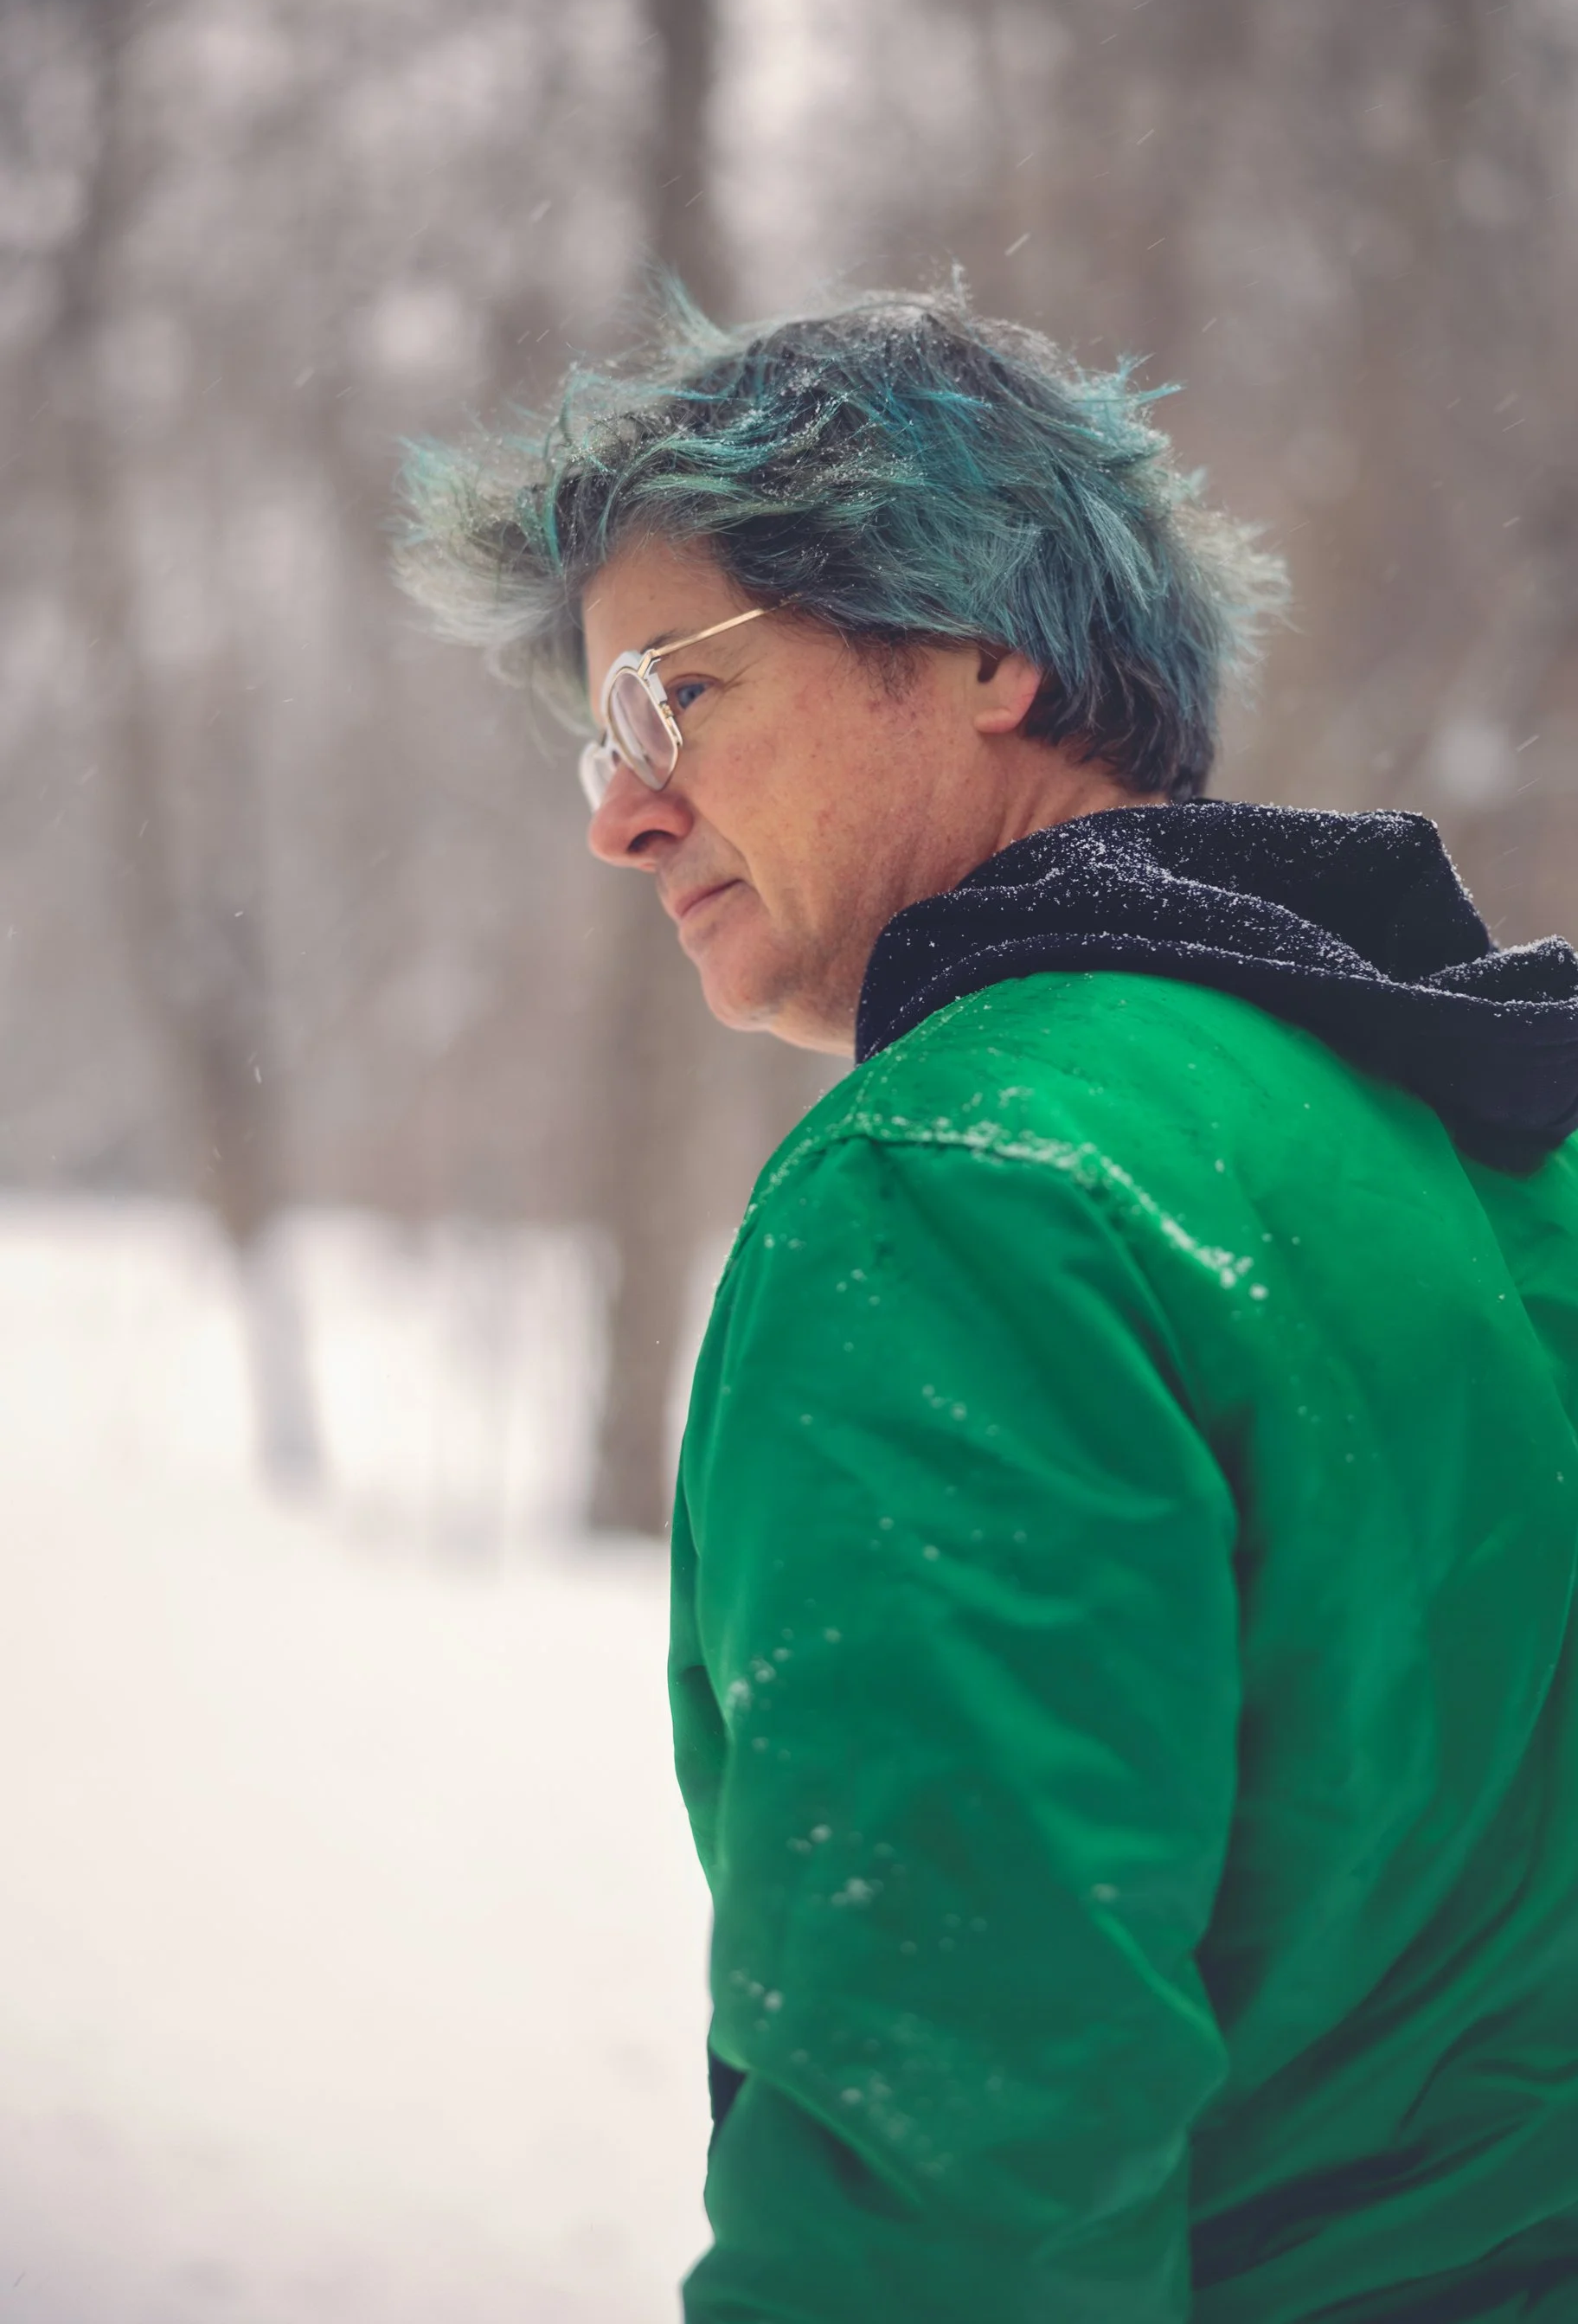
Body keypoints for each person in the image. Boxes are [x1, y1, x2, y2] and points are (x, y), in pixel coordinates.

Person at [398, 291, 1578, 2322]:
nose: (619, 811)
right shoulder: (1458, 1142)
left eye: (672, 701)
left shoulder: (957, 1196)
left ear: (980, 649)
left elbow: (956, 2164)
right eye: (600, 740)